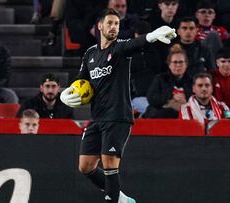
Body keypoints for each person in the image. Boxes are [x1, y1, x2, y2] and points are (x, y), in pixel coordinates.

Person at [60, 8, 176, 203]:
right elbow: (81, 80)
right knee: (85, 166)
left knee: (109, 164)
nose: (114, 27)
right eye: (110, 23)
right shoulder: (90, 54)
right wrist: (67, 92)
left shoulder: (120, 48)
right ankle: (121, 199)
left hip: (118, 116)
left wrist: (152, 36)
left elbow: (136, 42)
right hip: (97, 118)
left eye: (117, 24)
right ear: (100, 25)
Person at [144, 43, 192, 118]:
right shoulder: (160, 79)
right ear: (169, 64)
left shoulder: (192, 81)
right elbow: (151, 98)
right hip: (162, 116)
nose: (178, 65)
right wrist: (171, 97)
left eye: (181, 62)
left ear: (186, 64)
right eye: (175, 62)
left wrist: (186, 101)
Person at [195, 0, 230, 68]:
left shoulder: (220, 30)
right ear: (197, 15)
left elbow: (228, 46)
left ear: (214, 15)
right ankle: (215, 70)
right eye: (203, 12)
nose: (207, 15)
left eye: (210, 12)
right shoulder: (192, 30)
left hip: (224, 58)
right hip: (205, 59)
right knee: (213, 35)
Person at [130, 21, 162, 117]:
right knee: (152, 111)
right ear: (135, 34)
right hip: (135, 97)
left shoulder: (156, 53)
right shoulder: (128, 54)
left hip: (154, 97)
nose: (142, 38)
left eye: (144, 35)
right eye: (139, 34)